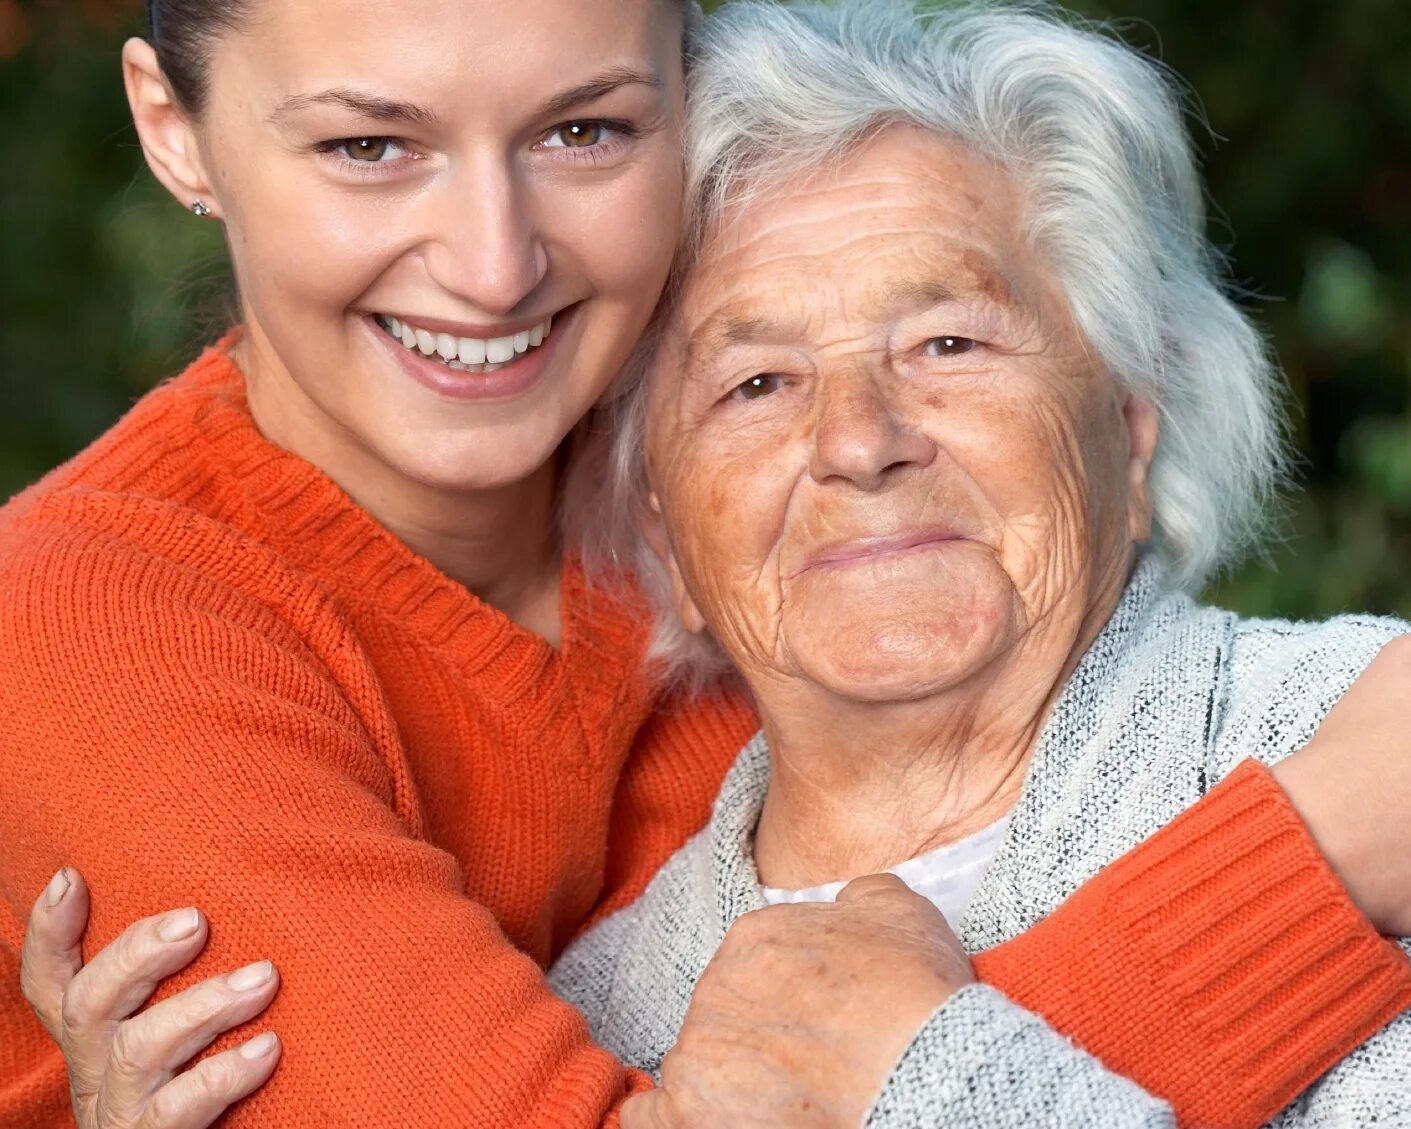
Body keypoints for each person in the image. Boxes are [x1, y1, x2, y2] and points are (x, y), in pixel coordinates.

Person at [5, 1, 1410, 1128]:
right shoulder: (105, 615)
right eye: (756, 383)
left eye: (949, 343)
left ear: (1129, 412)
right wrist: (1311, 872)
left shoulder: (1333, 714)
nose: (495, 267)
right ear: (663, 526)